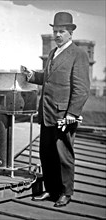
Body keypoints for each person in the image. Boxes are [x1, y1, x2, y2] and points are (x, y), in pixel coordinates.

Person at [21, 12, 90, 207]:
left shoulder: (79, 54)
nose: (57, 35)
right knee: (47, 153)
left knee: (63, 155)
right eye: (55, 31)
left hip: (63, 116)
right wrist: (33, 75)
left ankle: (66, 193)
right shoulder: (53, 53)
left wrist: (71, 114)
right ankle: (51, 190)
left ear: (70, 33)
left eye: (61, 31)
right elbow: (49, 77)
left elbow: (82, 89)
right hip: (47, 113)